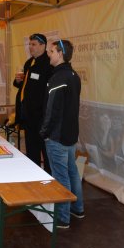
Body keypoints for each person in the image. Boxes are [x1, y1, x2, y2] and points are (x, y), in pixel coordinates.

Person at [39, 39, 83, 229]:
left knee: (61, 176)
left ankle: (63, 218)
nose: (48, 54)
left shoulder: (58, 78)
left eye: (51, 51)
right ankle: (78, 208)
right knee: (72, 172)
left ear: (60, 53)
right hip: (70, 134)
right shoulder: (73, 75)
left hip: (57, 136)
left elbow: (52, 110)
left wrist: (44, 132)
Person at [13, 33, 53, 172]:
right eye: (29, 44)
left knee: (45, 151)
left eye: (34, 44)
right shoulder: (29, 63)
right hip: (28, 115)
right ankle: (34, 175)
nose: (30, 47)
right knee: (31, 151)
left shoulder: (48, 64)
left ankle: (48, 178)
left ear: (43, 46)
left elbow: (46, 90)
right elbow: (26, 85)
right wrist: (18, 81)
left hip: (41, 116)